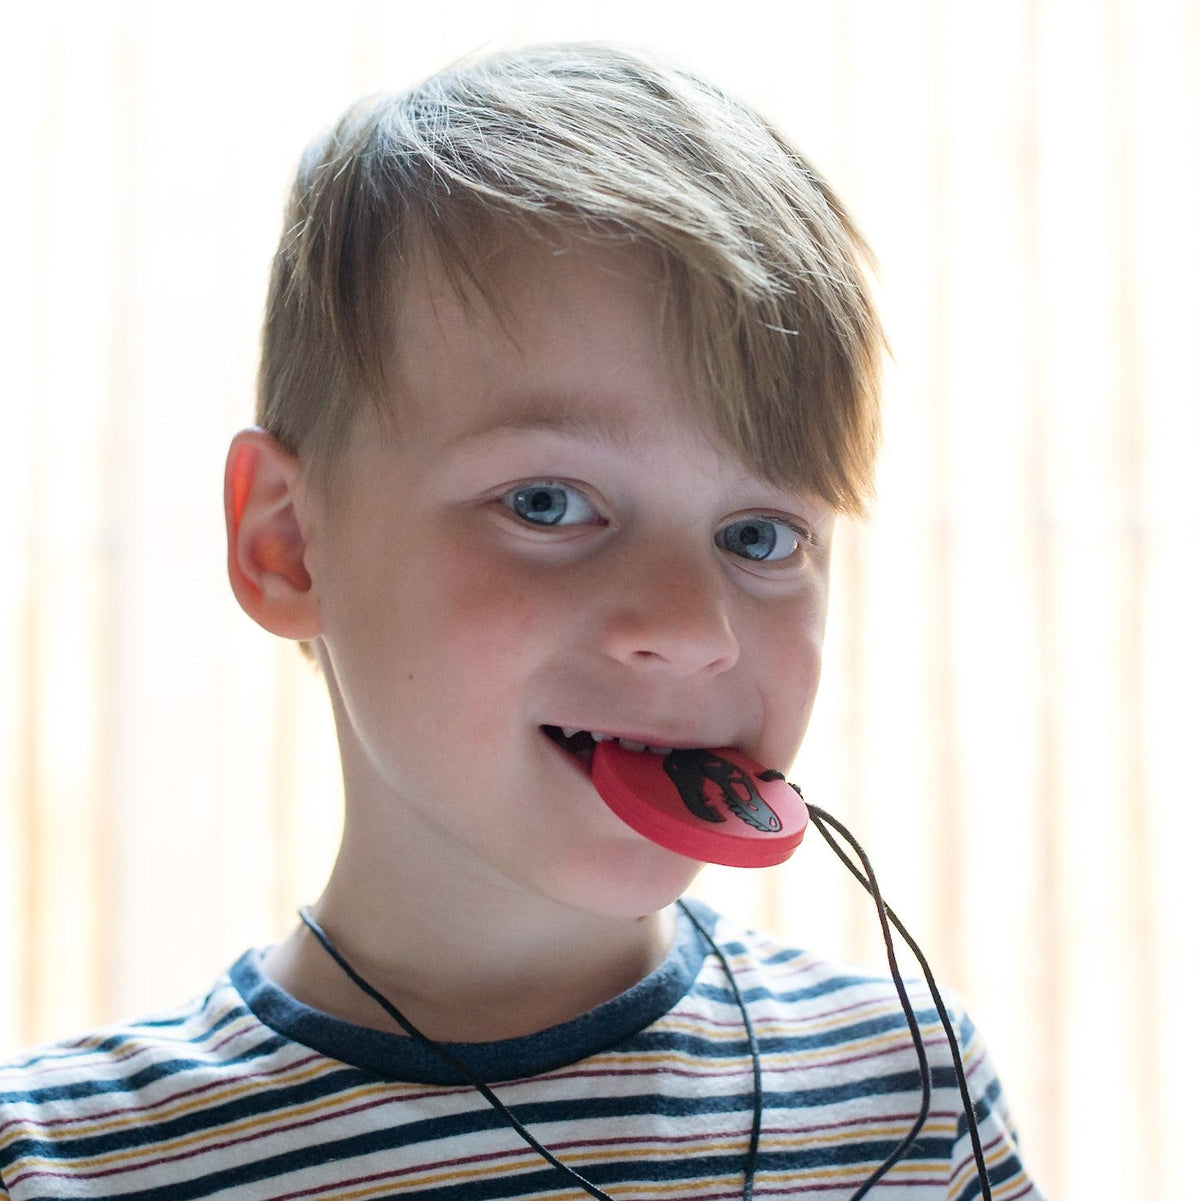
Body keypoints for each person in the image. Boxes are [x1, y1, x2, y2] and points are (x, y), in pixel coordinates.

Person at [0, 44, 1043, 1200]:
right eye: (548, 504)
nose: (694, 631)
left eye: (759, 536)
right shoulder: (65, 1162)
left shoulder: (907, 1091)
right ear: (289, 543)